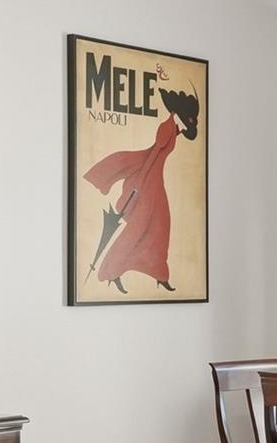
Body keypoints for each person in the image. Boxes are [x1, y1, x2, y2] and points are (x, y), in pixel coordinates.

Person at [83, 87, 200, 293]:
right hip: (148, 182)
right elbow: (154, 156)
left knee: (161, 226)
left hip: (154, 180)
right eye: (189, 119)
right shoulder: (167, 128)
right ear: (180, 114)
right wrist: (138, 186)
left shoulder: (174, 128)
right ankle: (112, 271)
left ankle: (160, 274)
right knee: (137, 229)